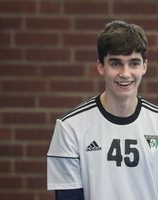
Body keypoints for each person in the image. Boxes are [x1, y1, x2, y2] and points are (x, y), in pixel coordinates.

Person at [47, 20, 158, 200]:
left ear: (144, 66)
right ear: (101, 67)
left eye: (134, 63)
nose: (125, 73)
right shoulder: (70, 128)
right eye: (116, 63)